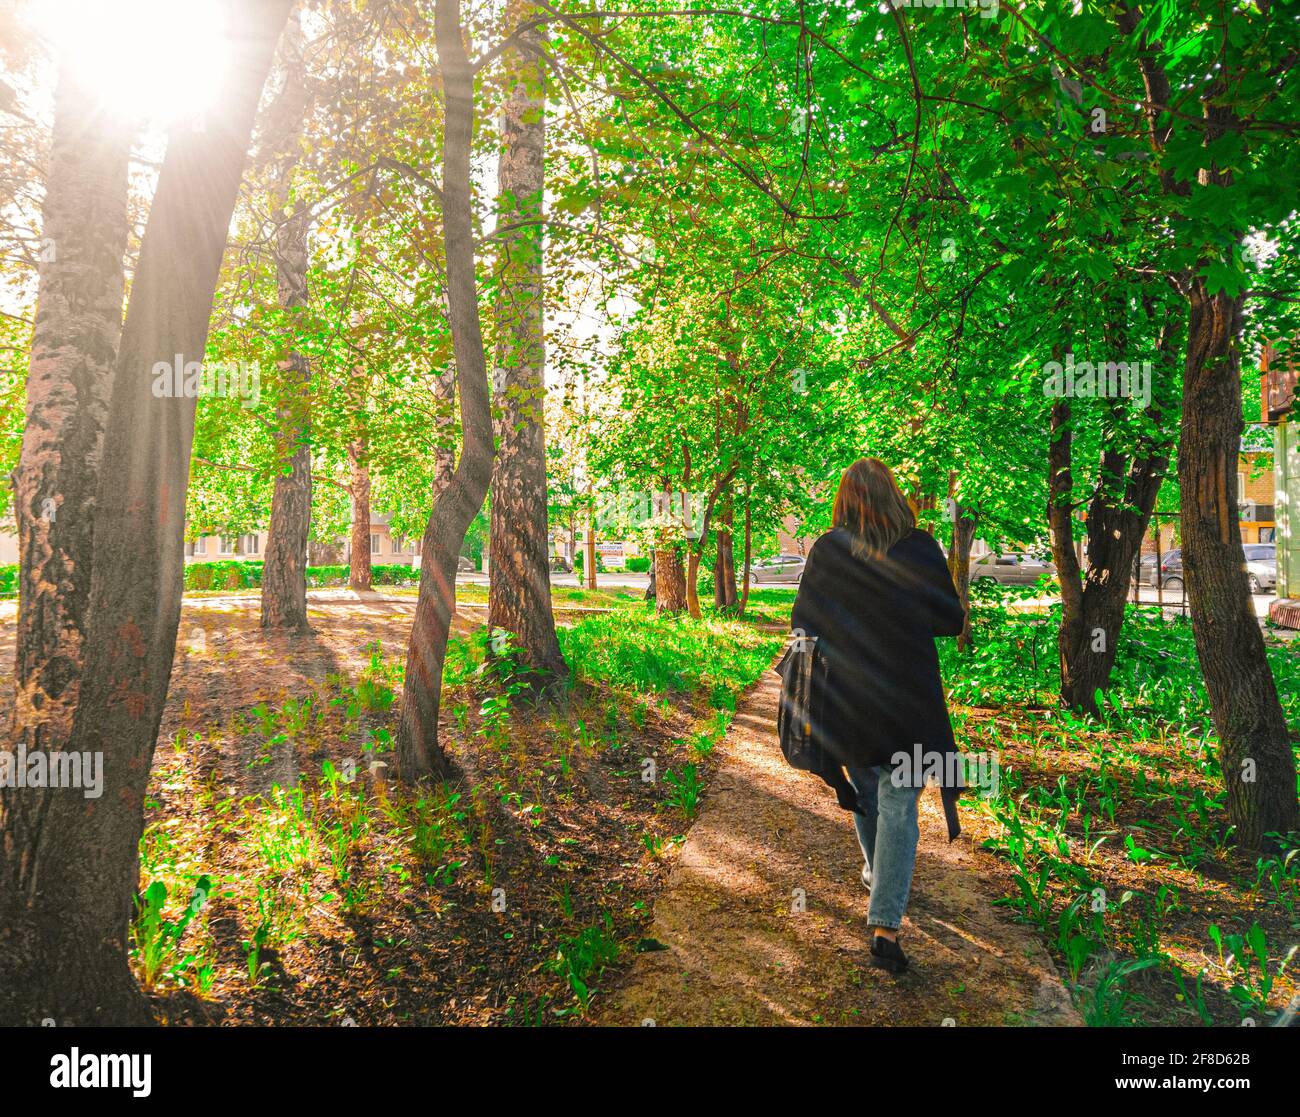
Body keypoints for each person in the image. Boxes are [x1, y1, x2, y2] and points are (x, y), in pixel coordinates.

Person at [790, 458, 966, 974]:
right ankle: (885, 924)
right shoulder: (922, 547)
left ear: (844, 500)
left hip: (848, 697)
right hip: (910, 697)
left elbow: (804, 623)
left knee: (868, 791)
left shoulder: (828, 549)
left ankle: (878, 879)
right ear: (894, 496)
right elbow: (949, 620)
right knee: (898, 803)